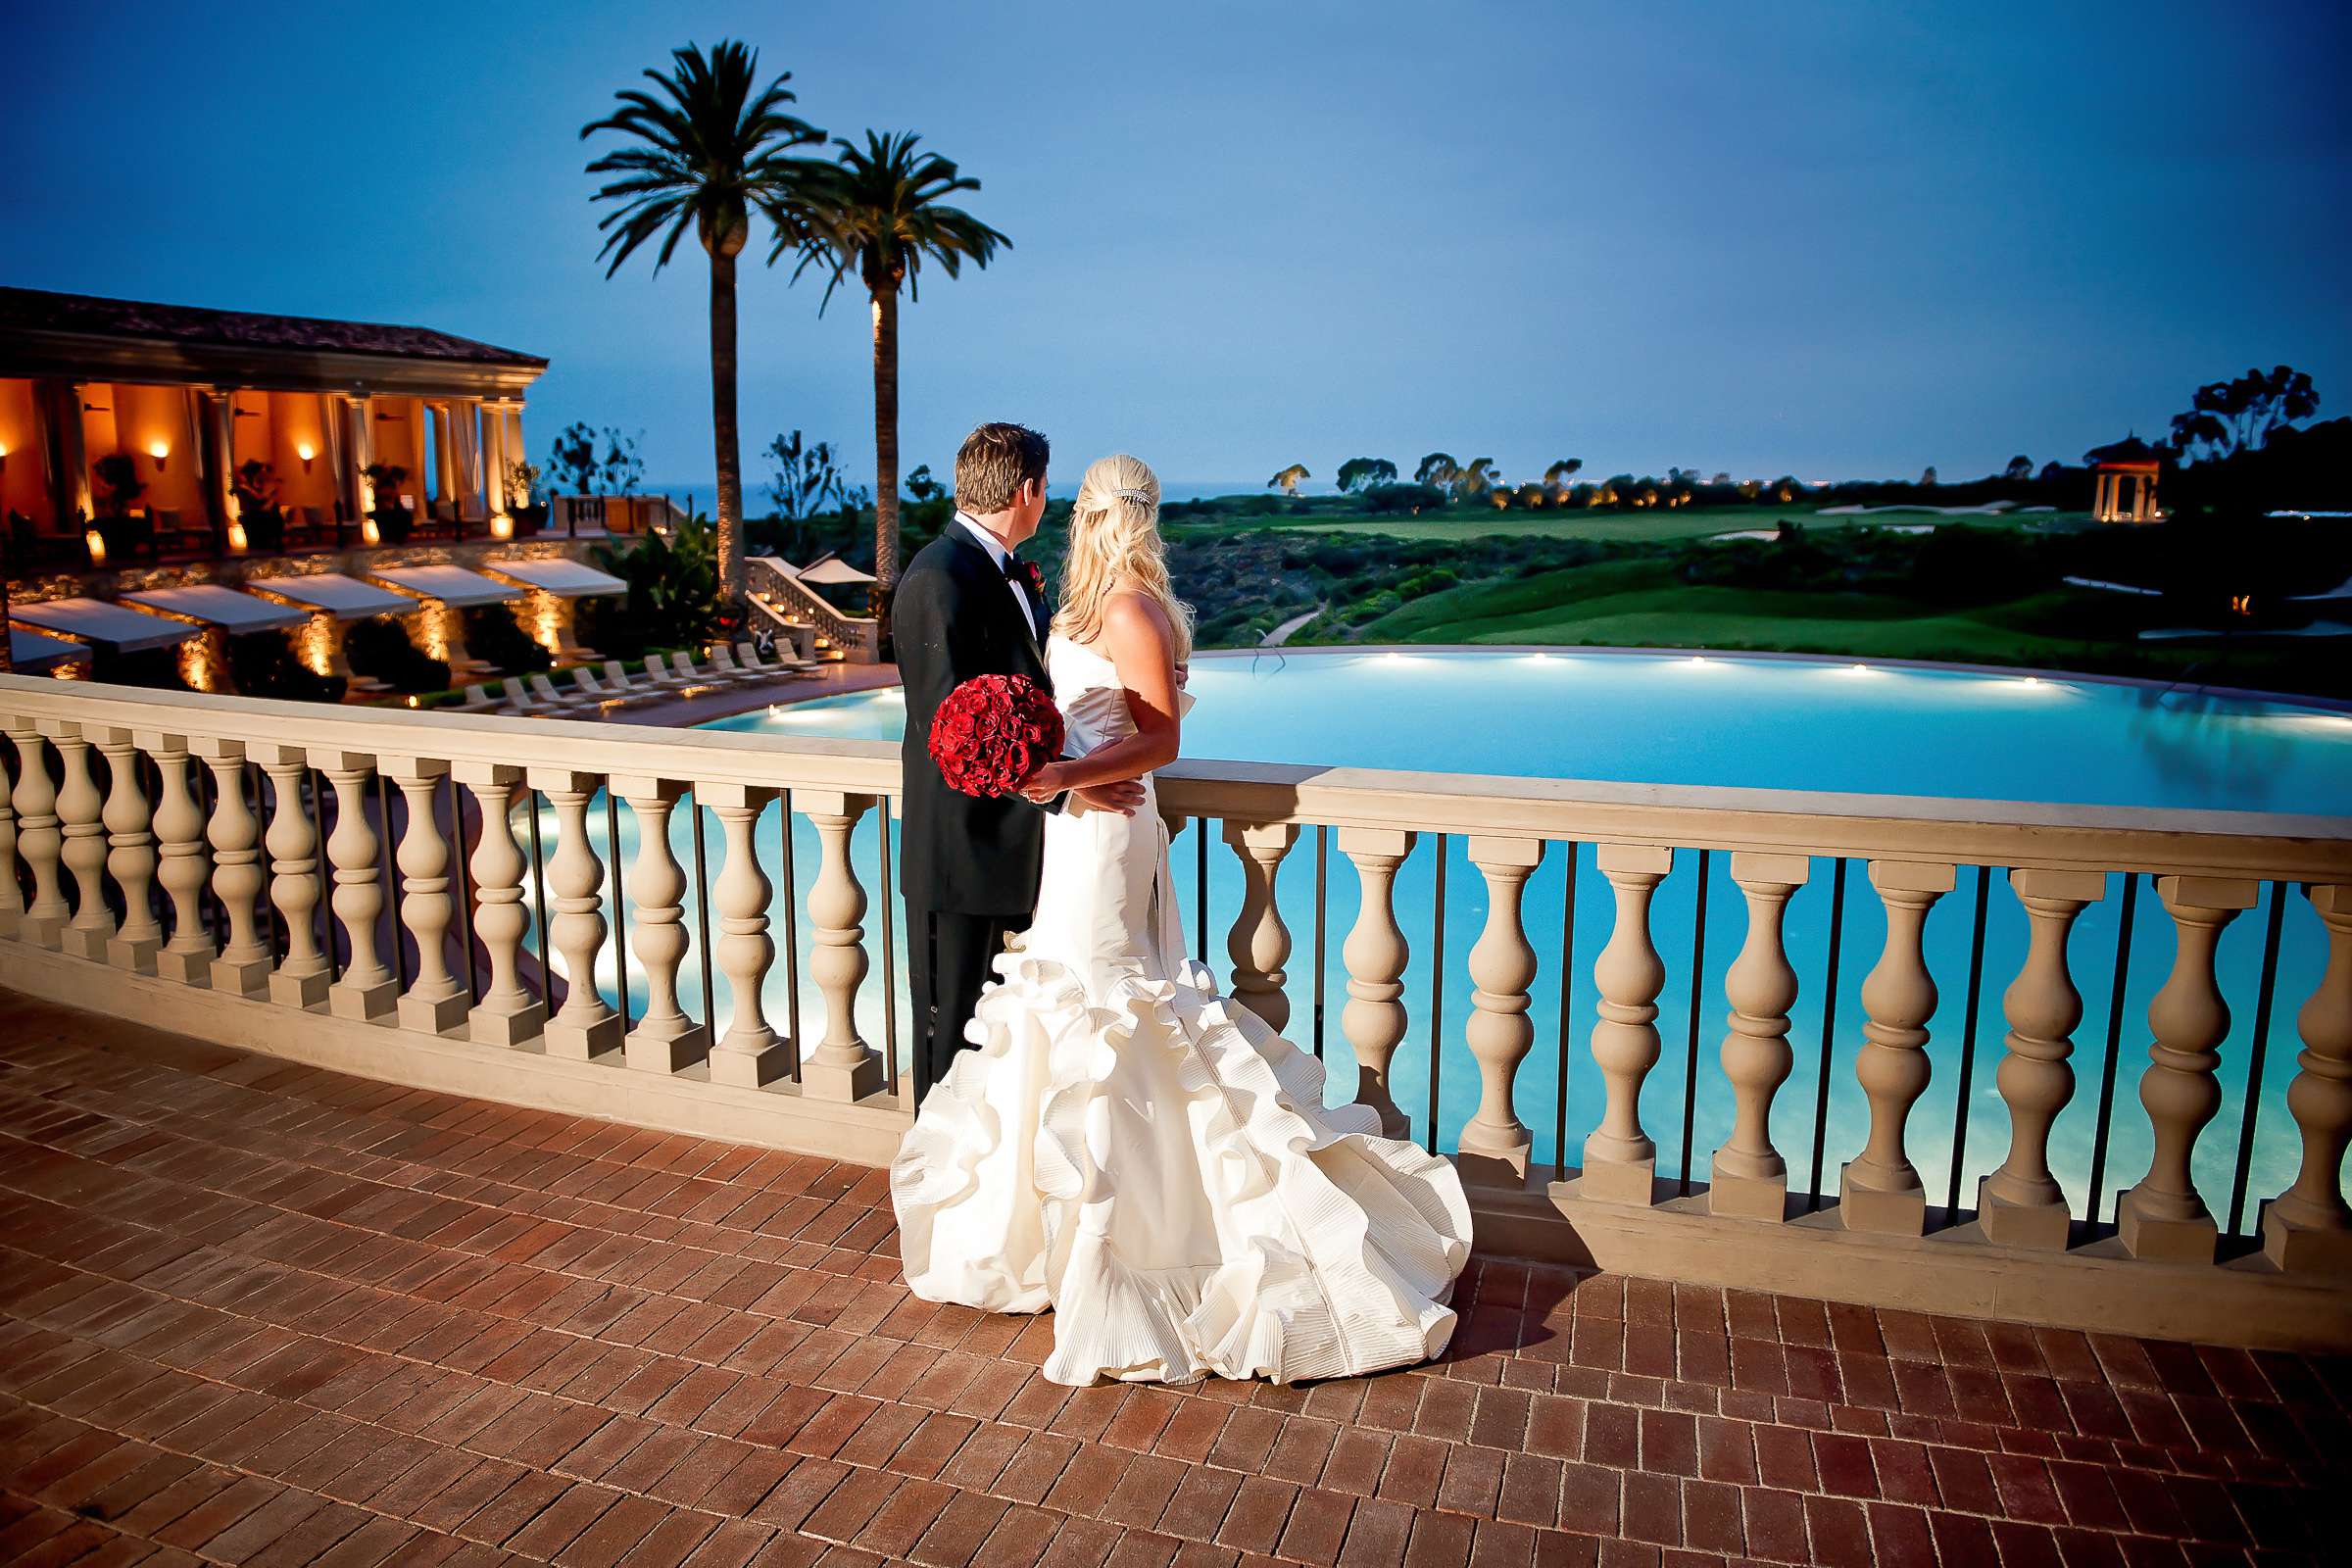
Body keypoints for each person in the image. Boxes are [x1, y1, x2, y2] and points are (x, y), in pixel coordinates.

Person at [891, 452, 1472, 1387]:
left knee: (1113, 1009)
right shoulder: (1082, 609)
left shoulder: (1127, 610)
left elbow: (1160, 738)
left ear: (1104, 517)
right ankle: (1058, 1229)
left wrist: (1062, 777)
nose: (1074, 520)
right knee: (1065, 1003)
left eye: (1084, 508)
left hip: (1110, 832)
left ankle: (1138, 1238)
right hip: (1077, 835)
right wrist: (1048, 773)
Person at [893, 422, 1145, 1107]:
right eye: (1046, 486)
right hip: (960, 853)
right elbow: (954, 734)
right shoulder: (939, 578)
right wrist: (1064, 793)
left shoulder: (1002, 572)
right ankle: (933, 1192)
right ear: (1028, 489)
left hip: (1015, 851)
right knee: (949, 1040)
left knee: (999, 1039)